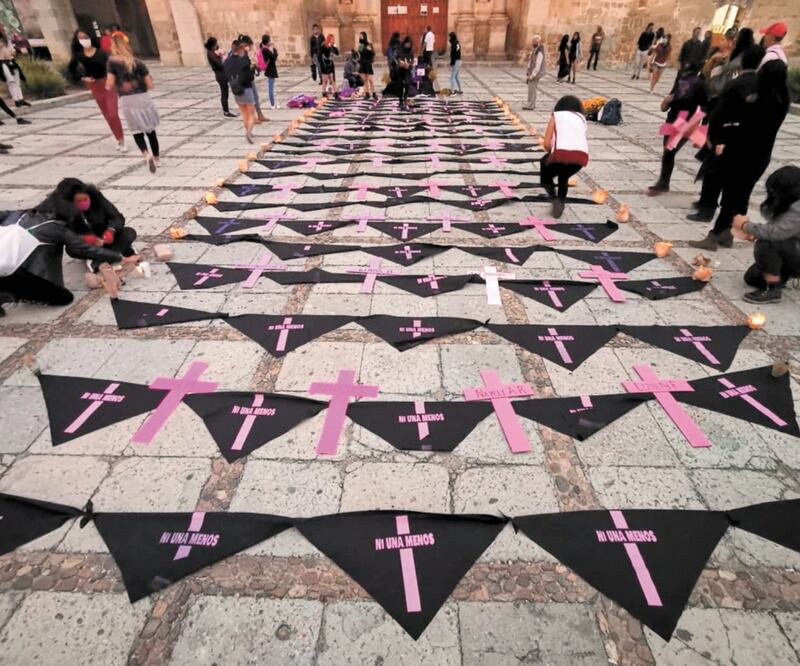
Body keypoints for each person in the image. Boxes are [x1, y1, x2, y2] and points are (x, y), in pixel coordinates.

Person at [690, 45, 789, 251]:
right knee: (741, 194)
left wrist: (722, 143)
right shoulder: (782, 100)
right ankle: (727, 234)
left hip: (741, 153)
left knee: (731, 195)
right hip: (761, 156)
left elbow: (742, 128)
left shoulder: (760, 102)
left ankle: (715, 235)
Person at [0, 207, 139, 313]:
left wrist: (110, 232)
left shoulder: (21, 216)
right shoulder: (56, 228)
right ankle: (11, 289)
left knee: (128, 233)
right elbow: (80, 246)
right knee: (63, 297)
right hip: (10, 269)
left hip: (13, 265)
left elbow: (117, 220)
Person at [38, 177, 137, 270]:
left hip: (104, 236)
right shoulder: (59, 210)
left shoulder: (96, 197)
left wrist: (111, 230)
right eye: (79, 201)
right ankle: (117, 252)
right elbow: (61, 234)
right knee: (72, 249)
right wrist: (83, 238)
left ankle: (99, 260)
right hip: (84, 244)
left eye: (85, 199)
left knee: (129, 233)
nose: (83, 203)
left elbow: (117, 217)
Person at [733, 166, 800, 303]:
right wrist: (754, 232)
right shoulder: (792, 203)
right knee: (753, 278)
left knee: (768, 243)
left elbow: (775, 233)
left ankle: (773, 289)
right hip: (793, 249)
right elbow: (779, 226)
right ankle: (783, 275)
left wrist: (745, 225)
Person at [647, 62, 707, 196]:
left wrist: (699, 126)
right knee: (667, 152)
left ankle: (663, 183)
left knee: (670, 151)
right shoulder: (681, 78)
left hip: (685, 120)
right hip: (672, 118)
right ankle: (663, 183)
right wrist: (668, 102)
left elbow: (704, 106)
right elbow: (675, 94)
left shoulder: (700, 84)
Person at [107, 35, 160, 173]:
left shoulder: (112, 63)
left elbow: (109, 84)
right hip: (143, 98)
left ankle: (146, 154)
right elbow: (150, 84)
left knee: (136, 131)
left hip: (127, 101)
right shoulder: (138, 62)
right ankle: (157, 159)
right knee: (151, 130)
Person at [68, 30, 127, 149]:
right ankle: (118, 138)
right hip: (95, 86)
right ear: (77, 41)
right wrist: (83, 78)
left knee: (113, 114)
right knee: (107, 115)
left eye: (85, 36)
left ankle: (121, 139)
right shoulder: (79, 55)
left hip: (107, 83)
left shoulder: (102, 53)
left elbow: (113, 68)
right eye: (80, 38)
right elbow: (71, 70)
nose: (84, 39)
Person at [540, 95, 589, 218]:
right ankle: (561, 202)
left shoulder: (556, 116)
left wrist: (551, 152)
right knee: (564, 176)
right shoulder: (581, 118)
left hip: (561, 154)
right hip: (581, 158)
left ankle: (554, 199)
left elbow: (546, 143)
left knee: (545, 171)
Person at [224, 36, 258, 143]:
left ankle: (248, 131)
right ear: (240, 50)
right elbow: (249, 76)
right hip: (246, 89)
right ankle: (248, 132)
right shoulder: (243, 62)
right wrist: (252, 68)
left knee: (244, 113)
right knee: (251, 113)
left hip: (235, 90)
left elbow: (227, 75)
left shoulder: (227, 62)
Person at [205, 37, 235, 118]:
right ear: (213, 45)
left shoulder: (213, 52)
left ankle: (226, 110)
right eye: (216, 44)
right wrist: (223, 58)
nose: (217, 45)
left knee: (226, 91)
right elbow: (220, 64)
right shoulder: (211, 54)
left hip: (223, 74)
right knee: (224, 92)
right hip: (220, 75)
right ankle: (226, 111)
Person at [0, 36, 29, 108]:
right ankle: (16, 101)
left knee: (17, 82)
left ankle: (21, 99)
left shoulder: (7, 41)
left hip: (12, 62)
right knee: (11, 83)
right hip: (3, 64)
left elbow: (13, 52)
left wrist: (15, 51)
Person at [523, 35, 545, 110]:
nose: (532, 43)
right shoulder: (535, 50)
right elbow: (531, 61)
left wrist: (533, 75)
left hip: (535, 73)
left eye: (534, 42)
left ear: (537, 42)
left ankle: (531, 105)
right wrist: (528, 70)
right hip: (531, 72)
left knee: (533, 89)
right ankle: (530, 103)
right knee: (530, 88)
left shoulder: (540, 52)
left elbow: (538, 65)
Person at [260, 34, 279, 109]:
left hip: (270, 70)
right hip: (270, 71)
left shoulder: (265, 49)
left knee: (271, 87)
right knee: (270, 88)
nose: (270, 42)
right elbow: (274, 57)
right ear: (267, 41)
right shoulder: (266, 50)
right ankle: (272, 105)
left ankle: (273, 104)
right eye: (269, 40)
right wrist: (274, 49)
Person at [396, 35, 414, 110]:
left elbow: (412, 60)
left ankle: (406, 99)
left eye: (409, 44)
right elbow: (396, 59)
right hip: (400, 71)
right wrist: (401, 63)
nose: (408, 45)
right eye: (407, 44)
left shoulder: (410, 51)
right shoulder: (400, 50)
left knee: (407, 85)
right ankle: (400, 101)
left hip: (407, 71)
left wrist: (409, 65)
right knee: (400, 86)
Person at [319, 34, 339, 98]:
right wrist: (330, 47)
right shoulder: (323, 45)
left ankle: (336, 93)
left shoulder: (332, 46)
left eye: (334, 40)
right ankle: (324, 92)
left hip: (330, 64)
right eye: (332, 40)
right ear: (329, 39)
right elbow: (325, 54)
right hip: (324, 64)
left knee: (333, 79)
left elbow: (337, 53)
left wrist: (335, 47)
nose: (333, 41)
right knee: (325, 80)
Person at [357, 32, 376, 100]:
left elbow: (372, 53)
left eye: (361, 36)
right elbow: (359, 55)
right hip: (362, 63)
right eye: (359, 36)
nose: (360, 37)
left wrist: (370, 50)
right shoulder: (360, 45)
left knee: (370, 80)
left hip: (367, 64)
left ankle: (374, 93)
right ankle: (367, 93)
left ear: (364, 36)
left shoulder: (368, 44)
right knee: (365, 80)